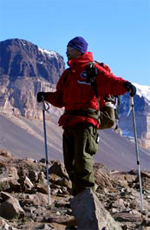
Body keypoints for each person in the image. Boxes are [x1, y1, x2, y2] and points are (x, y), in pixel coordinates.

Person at [37, 36, 136, 196]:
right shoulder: (68, 74)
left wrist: (125, 85)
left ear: (79, 51)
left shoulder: (92, 70)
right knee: (70, 164)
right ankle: (79, 199)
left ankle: (88, 199)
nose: (67, 52)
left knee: (83, 160)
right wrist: (46, 97)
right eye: (67, 49)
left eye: (70, 49)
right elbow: (61, 99)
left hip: (86, 122)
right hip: (69, 122)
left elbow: (111, 82)